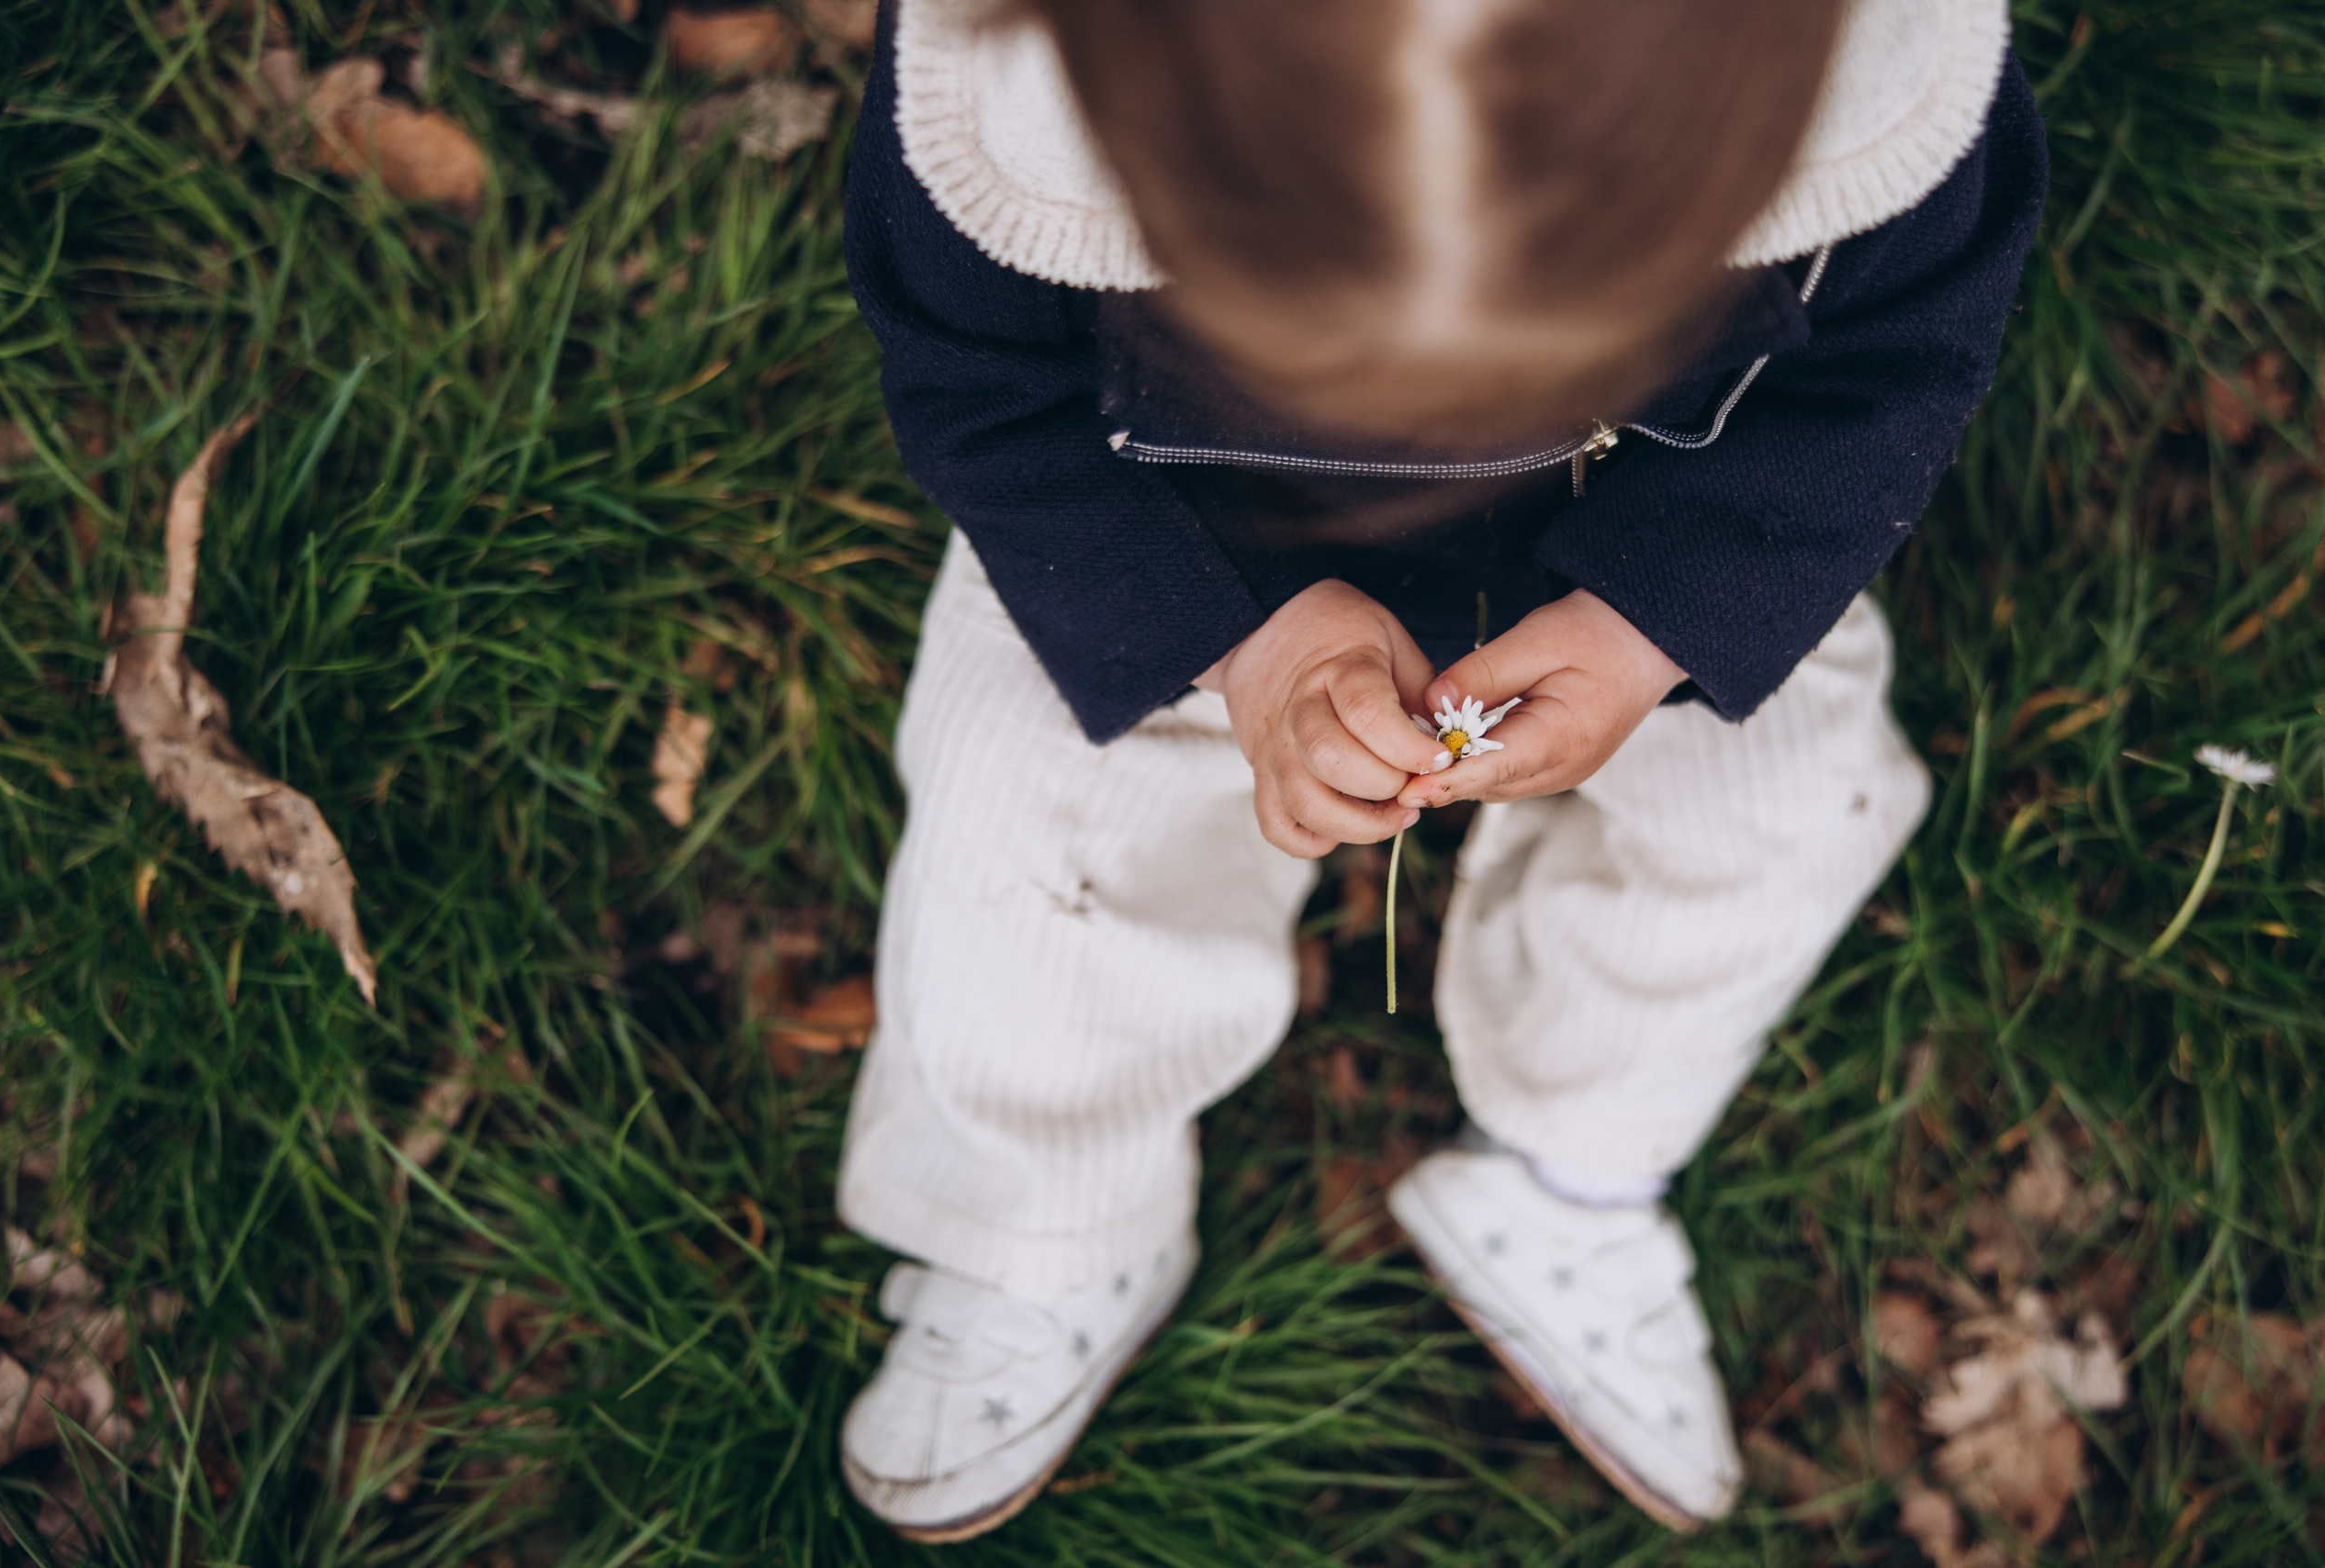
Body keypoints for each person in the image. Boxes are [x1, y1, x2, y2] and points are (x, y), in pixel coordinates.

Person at [829, 0, 2045, 1540]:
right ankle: (1046, 1210)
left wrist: (1645, 628)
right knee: (1019, 798)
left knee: (1791, 803)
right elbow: (982, 392)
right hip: (1185, 543)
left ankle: (1573, 1167)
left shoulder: (1866, 98)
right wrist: (1240, 645)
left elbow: (1885, 375)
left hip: (1637, 561)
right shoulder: (1019, 106)